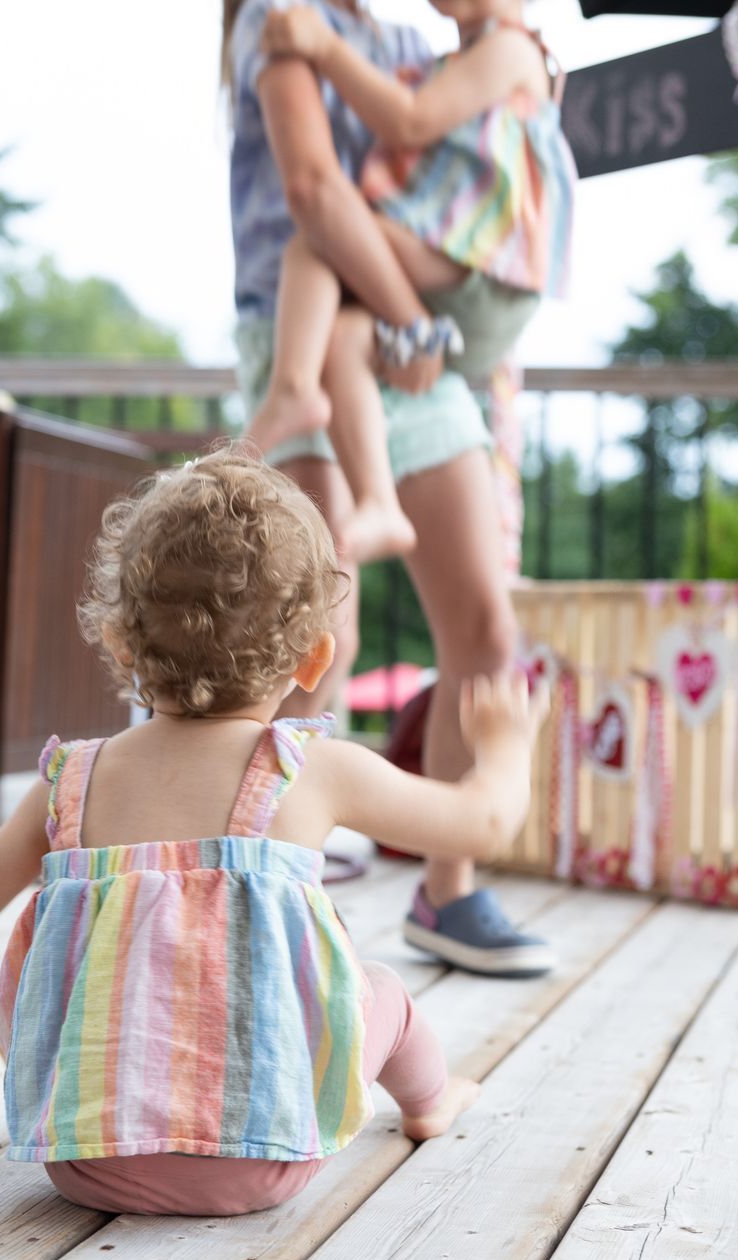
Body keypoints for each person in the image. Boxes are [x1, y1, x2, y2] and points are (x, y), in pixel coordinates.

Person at [0, 453, 545, 1216]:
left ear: (122, 643)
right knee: (379, 990)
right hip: (266, 1161)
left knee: (52, 963)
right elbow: (483, 821)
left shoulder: (73, 779)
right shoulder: (311, 770)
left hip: (80, 1160)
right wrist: (507, 748)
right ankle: (427, 1102)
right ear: (316, 656)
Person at [225, 0, 556, 976]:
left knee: (486, 631)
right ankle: (254, 878)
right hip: (320, 335)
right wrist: (416, 320)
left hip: (404, 344)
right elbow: (316, 189)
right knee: (324, 632)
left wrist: (427, 321)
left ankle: (449, 891)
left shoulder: (423, 42)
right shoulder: (280, 20)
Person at [244, 0, 572, 567]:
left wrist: (323, 46)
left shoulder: (513, 50)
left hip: (482, 272)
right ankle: (380, 504)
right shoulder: (452, 56)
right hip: (450, 275)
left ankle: (292, 387)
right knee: (345, 341)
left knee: (314, 241)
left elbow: (408, 119)